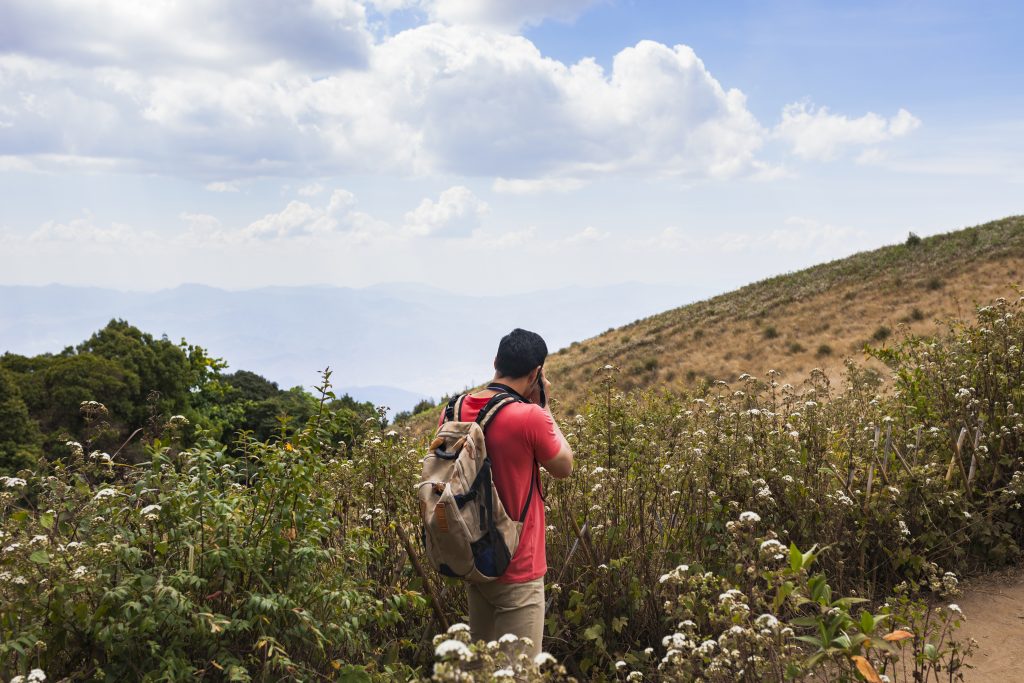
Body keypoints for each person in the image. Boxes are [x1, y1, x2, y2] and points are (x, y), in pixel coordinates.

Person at [442, 328, 574, 656]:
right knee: (518, 674)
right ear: (536, 373)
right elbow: (564, 467)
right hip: (519, 568)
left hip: (474, 558)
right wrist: (544, 407)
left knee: (482, 670)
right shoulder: (529, 417)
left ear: (496, 363)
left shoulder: (455, 409)